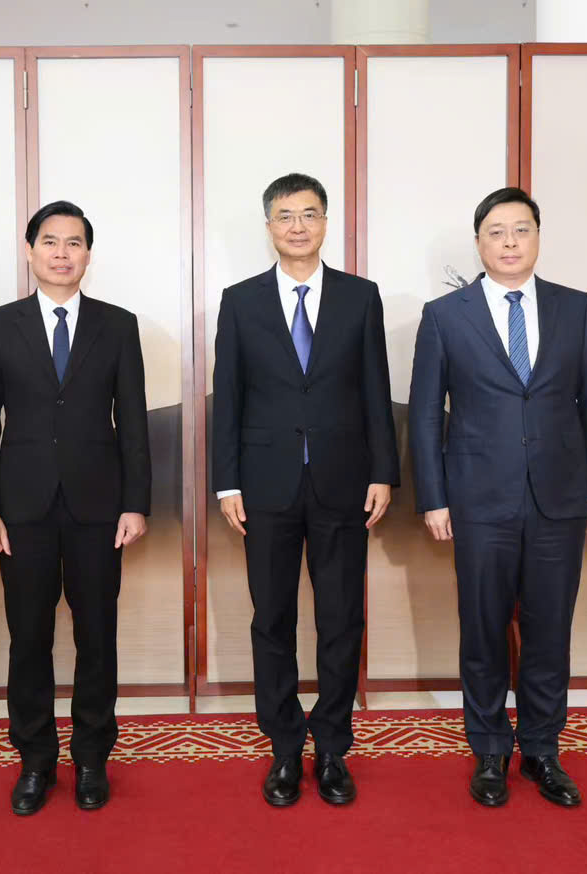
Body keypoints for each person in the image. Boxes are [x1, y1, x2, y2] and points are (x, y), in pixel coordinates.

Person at [407, 186, 587, 809]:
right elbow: (425, 415)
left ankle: (543, 750)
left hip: (560, 498)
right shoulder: (445, 316)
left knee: (550, 629)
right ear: (479, 243)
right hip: (477, 500)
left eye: (521, 230)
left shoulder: (575, 308)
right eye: (496, 232)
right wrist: (434, 498)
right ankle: (491, 750)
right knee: (483, 629)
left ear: (538, 237)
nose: (509, 242)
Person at [212, 173, 397, 807]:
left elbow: (375, 387)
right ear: (269, 226)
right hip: (265, 485)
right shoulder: (240, 301)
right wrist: (227, 482)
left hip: (344, 482)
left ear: (325, 223)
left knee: (341, 618)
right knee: (272, 618)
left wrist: (382, 471)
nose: (298, 226)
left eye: (309, 214)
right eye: (286, 215)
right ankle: (286, 747)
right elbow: (229, 396)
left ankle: (333, 747)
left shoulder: (359, 297)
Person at [0, 200, 151, 815]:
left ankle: (92, 757)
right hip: (21, 509)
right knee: (29, 638)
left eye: (74, 243)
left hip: (99, 508)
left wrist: (136, 503)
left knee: (98, 636)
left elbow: (133, 424)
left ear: (88, 254)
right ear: (30, 251)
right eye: (50, 241)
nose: (62, 253)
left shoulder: (117, 325)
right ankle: (36, 761)